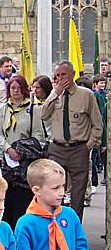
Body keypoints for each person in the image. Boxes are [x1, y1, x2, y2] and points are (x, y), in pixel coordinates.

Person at [40, 61, 103, 220]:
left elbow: (97, 124)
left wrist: (88, 146)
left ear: (73, 75)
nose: (61, 79)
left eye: (64, 75)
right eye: (57, 76)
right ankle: (55, 224)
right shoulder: (55, 96)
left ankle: (74, 228)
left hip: (78, 148)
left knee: (78, 194)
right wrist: (55, 94)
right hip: (58, 148)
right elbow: (43, 115)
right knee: (54, 189)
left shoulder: (86, 95)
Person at [0, 74, 45, 229]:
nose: (15, 91)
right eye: (12, 88)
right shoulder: (3, 109)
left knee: (22, 198)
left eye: (18, 87)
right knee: (7, 195)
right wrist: (8, 148)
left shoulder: (33, 109)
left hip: (24, 160)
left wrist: (23, 150)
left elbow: (37, 134)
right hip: (6, 159)